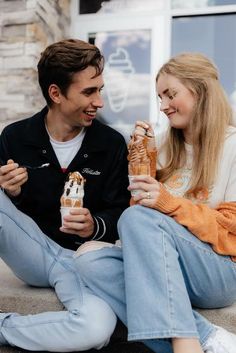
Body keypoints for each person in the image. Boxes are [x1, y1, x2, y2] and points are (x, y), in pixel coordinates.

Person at [76, 53, 236, 353]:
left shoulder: (233, 144)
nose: (162, 106)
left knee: (135, 220)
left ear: (200, 91)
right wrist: (143, 164)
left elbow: (232, 231)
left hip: (220, 271)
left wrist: (168, 203)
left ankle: (186, 346)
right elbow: (142, 221)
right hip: (168, 267)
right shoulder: (162, 146)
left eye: (170, 94)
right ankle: (207, 338)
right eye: (160, 97)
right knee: (88, 261)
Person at [0, 38, 129, 351]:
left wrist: (94, 226)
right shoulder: (15, 137)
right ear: (55, 93)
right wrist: (11, 194)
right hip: (35, 252)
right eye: (89, 91)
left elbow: (122, 215)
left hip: (84, 263)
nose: (100, 102)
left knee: (96, 330)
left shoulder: (111, 144)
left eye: (100, 89)